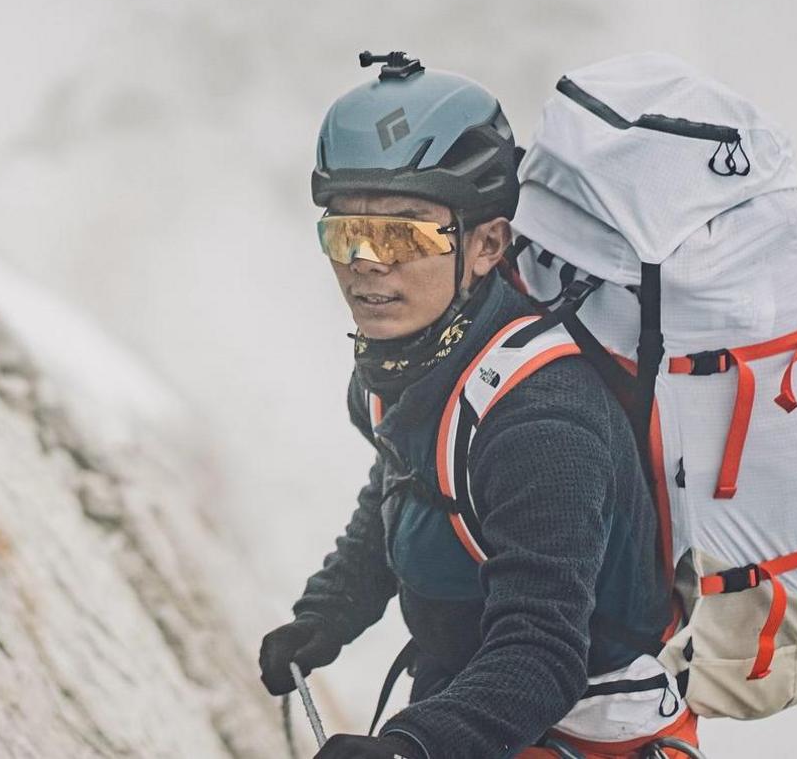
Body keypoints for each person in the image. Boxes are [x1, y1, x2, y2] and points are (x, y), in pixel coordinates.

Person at [259, 52, 692, 759]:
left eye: (404, 234)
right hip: (465, 703)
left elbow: (543, 653)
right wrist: (329, 614)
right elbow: (408, 487)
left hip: (582, 734)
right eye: (346, 233)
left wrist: (411, 747)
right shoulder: (402, 364)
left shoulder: (543, 423)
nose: (367, 262)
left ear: (487, 243)